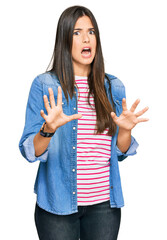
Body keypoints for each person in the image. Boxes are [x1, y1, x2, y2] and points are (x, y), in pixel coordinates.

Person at [19, 5, 149, 240]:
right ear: (64, 40)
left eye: (91, 31)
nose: (86, 38)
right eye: (76, 33)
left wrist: (125, 131)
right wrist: (48, 130)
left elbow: (119, 152)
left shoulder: (113, 87)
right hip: (57, 205)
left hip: (104, 206)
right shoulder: (45, 85)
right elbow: (29, 151)